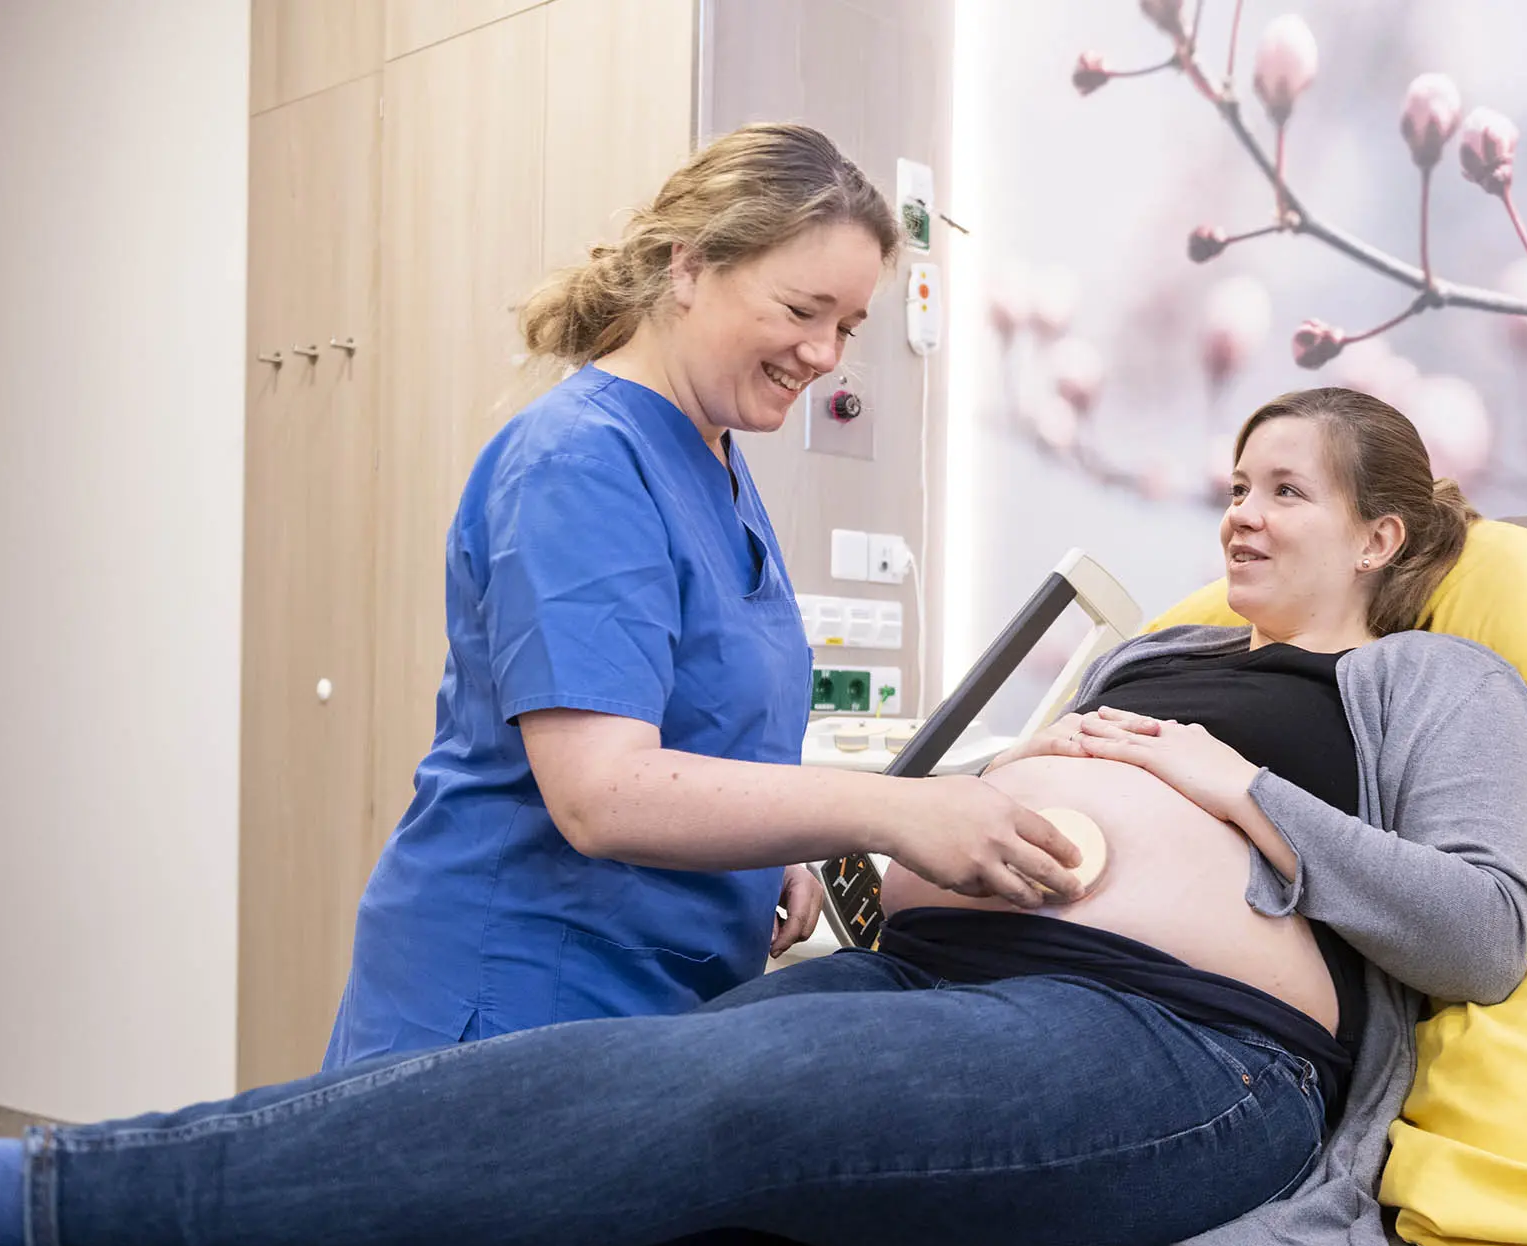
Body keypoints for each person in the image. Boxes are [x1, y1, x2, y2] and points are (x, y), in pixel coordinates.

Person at [0, 389, 1527, 1246]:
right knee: (621, 1170)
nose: (1239, 513)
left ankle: (28, 1190)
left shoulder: (1433, 681)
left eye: (1284, 490)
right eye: (1233, 483)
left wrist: (1238, 788)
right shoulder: (1152, 656)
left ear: (1380, 533)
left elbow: (1481, 930)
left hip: (1184, 1054)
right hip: (934, 984)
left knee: (700, 1087)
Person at [326, 122, 1089, 1068]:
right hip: (515, 996)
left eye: (848, 327)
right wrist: (888, 810)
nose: (825, 354)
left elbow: (700, 727)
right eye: (802, 309)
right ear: (686, 267)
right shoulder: (580, 461)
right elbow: (603, 792)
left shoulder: (713, 453)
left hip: (649, 999)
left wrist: (771, 851)